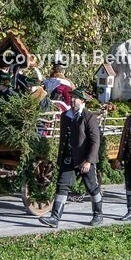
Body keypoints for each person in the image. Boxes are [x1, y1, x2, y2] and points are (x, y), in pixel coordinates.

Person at [39, 88, 104, 228]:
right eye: (72, 97)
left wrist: (89, 161)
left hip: (84, 160)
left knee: (92, 188)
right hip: (68, 158)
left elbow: (95, 141)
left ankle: (98, 215)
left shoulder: (89, 117)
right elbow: (64, 139)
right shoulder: (65, 116)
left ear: (82, 101)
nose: (73, 100)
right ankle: (54, 218)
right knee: (62, 186)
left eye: (76, 98)